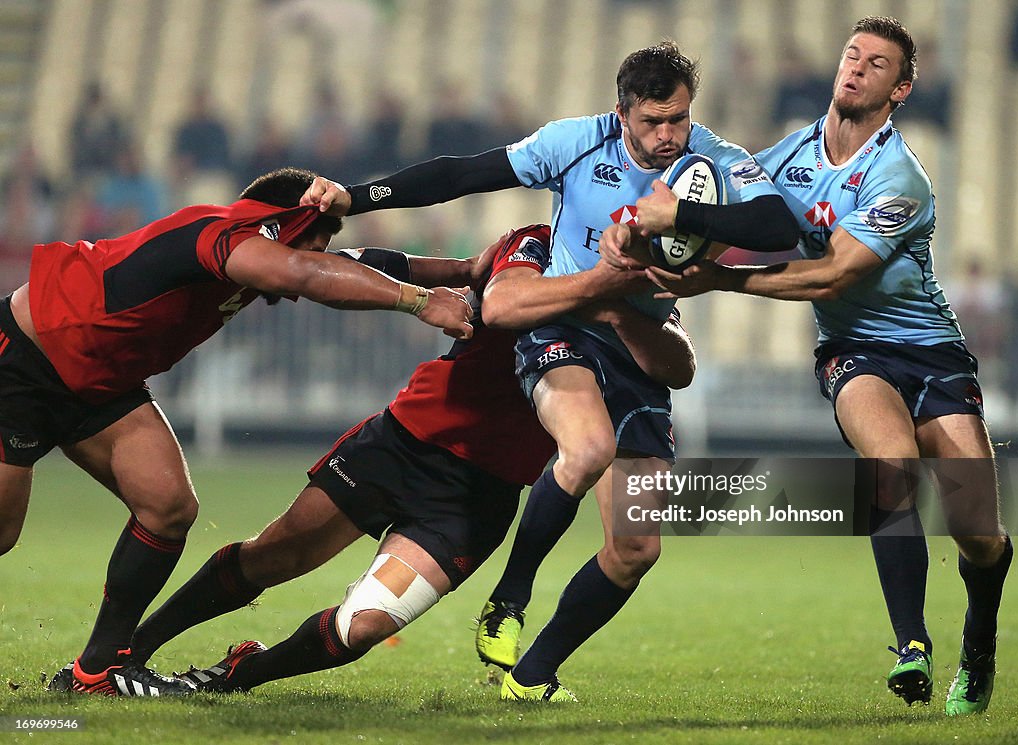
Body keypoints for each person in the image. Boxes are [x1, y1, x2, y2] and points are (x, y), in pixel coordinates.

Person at [300, 41, 799, 700]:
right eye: (652, 122)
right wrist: (354, 199)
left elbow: (776, 222)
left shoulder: (713, 160)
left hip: (639, 340)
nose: (668, 136)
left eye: (677, 118)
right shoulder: (575, 143)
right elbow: (462, 174)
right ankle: (508, 599)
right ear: (621, 114)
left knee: (635, 549)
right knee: (587, 446)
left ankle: (532, 674)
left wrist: (678, 212)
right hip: (564, 324)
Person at [69, 224, 695, 695]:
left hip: (473, 500)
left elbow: (677, 366)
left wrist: (620, 308)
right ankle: (129, 648)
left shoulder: (641, 294)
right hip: (401, 443)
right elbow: (453, 272)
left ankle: (234, 677)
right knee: (273, 556)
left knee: (362, 628)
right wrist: (352, 268)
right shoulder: (532, 248)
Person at [606, 17, 1012, 717]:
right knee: (888, 465)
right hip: (852, 353)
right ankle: (912, 645)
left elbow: (833, 277)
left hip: (930, 350)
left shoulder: (901, 177)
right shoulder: (786, 156)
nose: (855, 67)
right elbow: (731, 217)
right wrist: (647, 232)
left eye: (877, 63)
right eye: (852, 54)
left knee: (978, 531)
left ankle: (979, 638)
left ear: (902, 88)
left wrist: (717, 281)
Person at [1, 166, 475, 697]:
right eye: (320, 236)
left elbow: (368, 264)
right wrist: (418, 301)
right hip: (24, 362)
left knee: (168, 506)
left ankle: (97, 671)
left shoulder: (265, 251)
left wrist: (468, 269)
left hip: (99, 385)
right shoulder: (221, 231)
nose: (325, 251)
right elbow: (300, 272)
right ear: (286, 220)